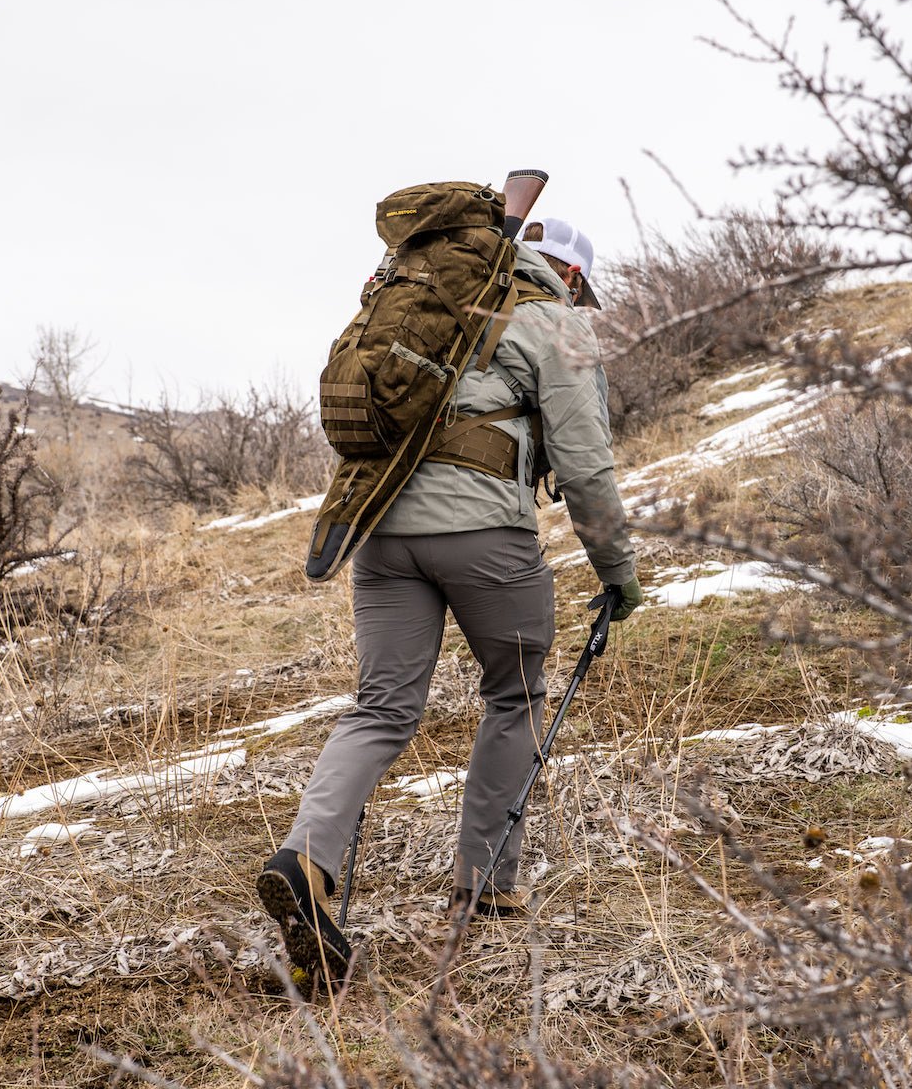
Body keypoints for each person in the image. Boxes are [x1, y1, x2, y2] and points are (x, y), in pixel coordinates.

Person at [257, 216, 643, 976]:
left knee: (381, 708)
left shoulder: (418, 299)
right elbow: (586, 464)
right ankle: (486, 884)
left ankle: (306, 860)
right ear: (569, 275)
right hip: (484, 536)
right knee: (515, 694)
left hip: (381, 531)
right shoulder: (552, 318)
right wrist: (617, 570)